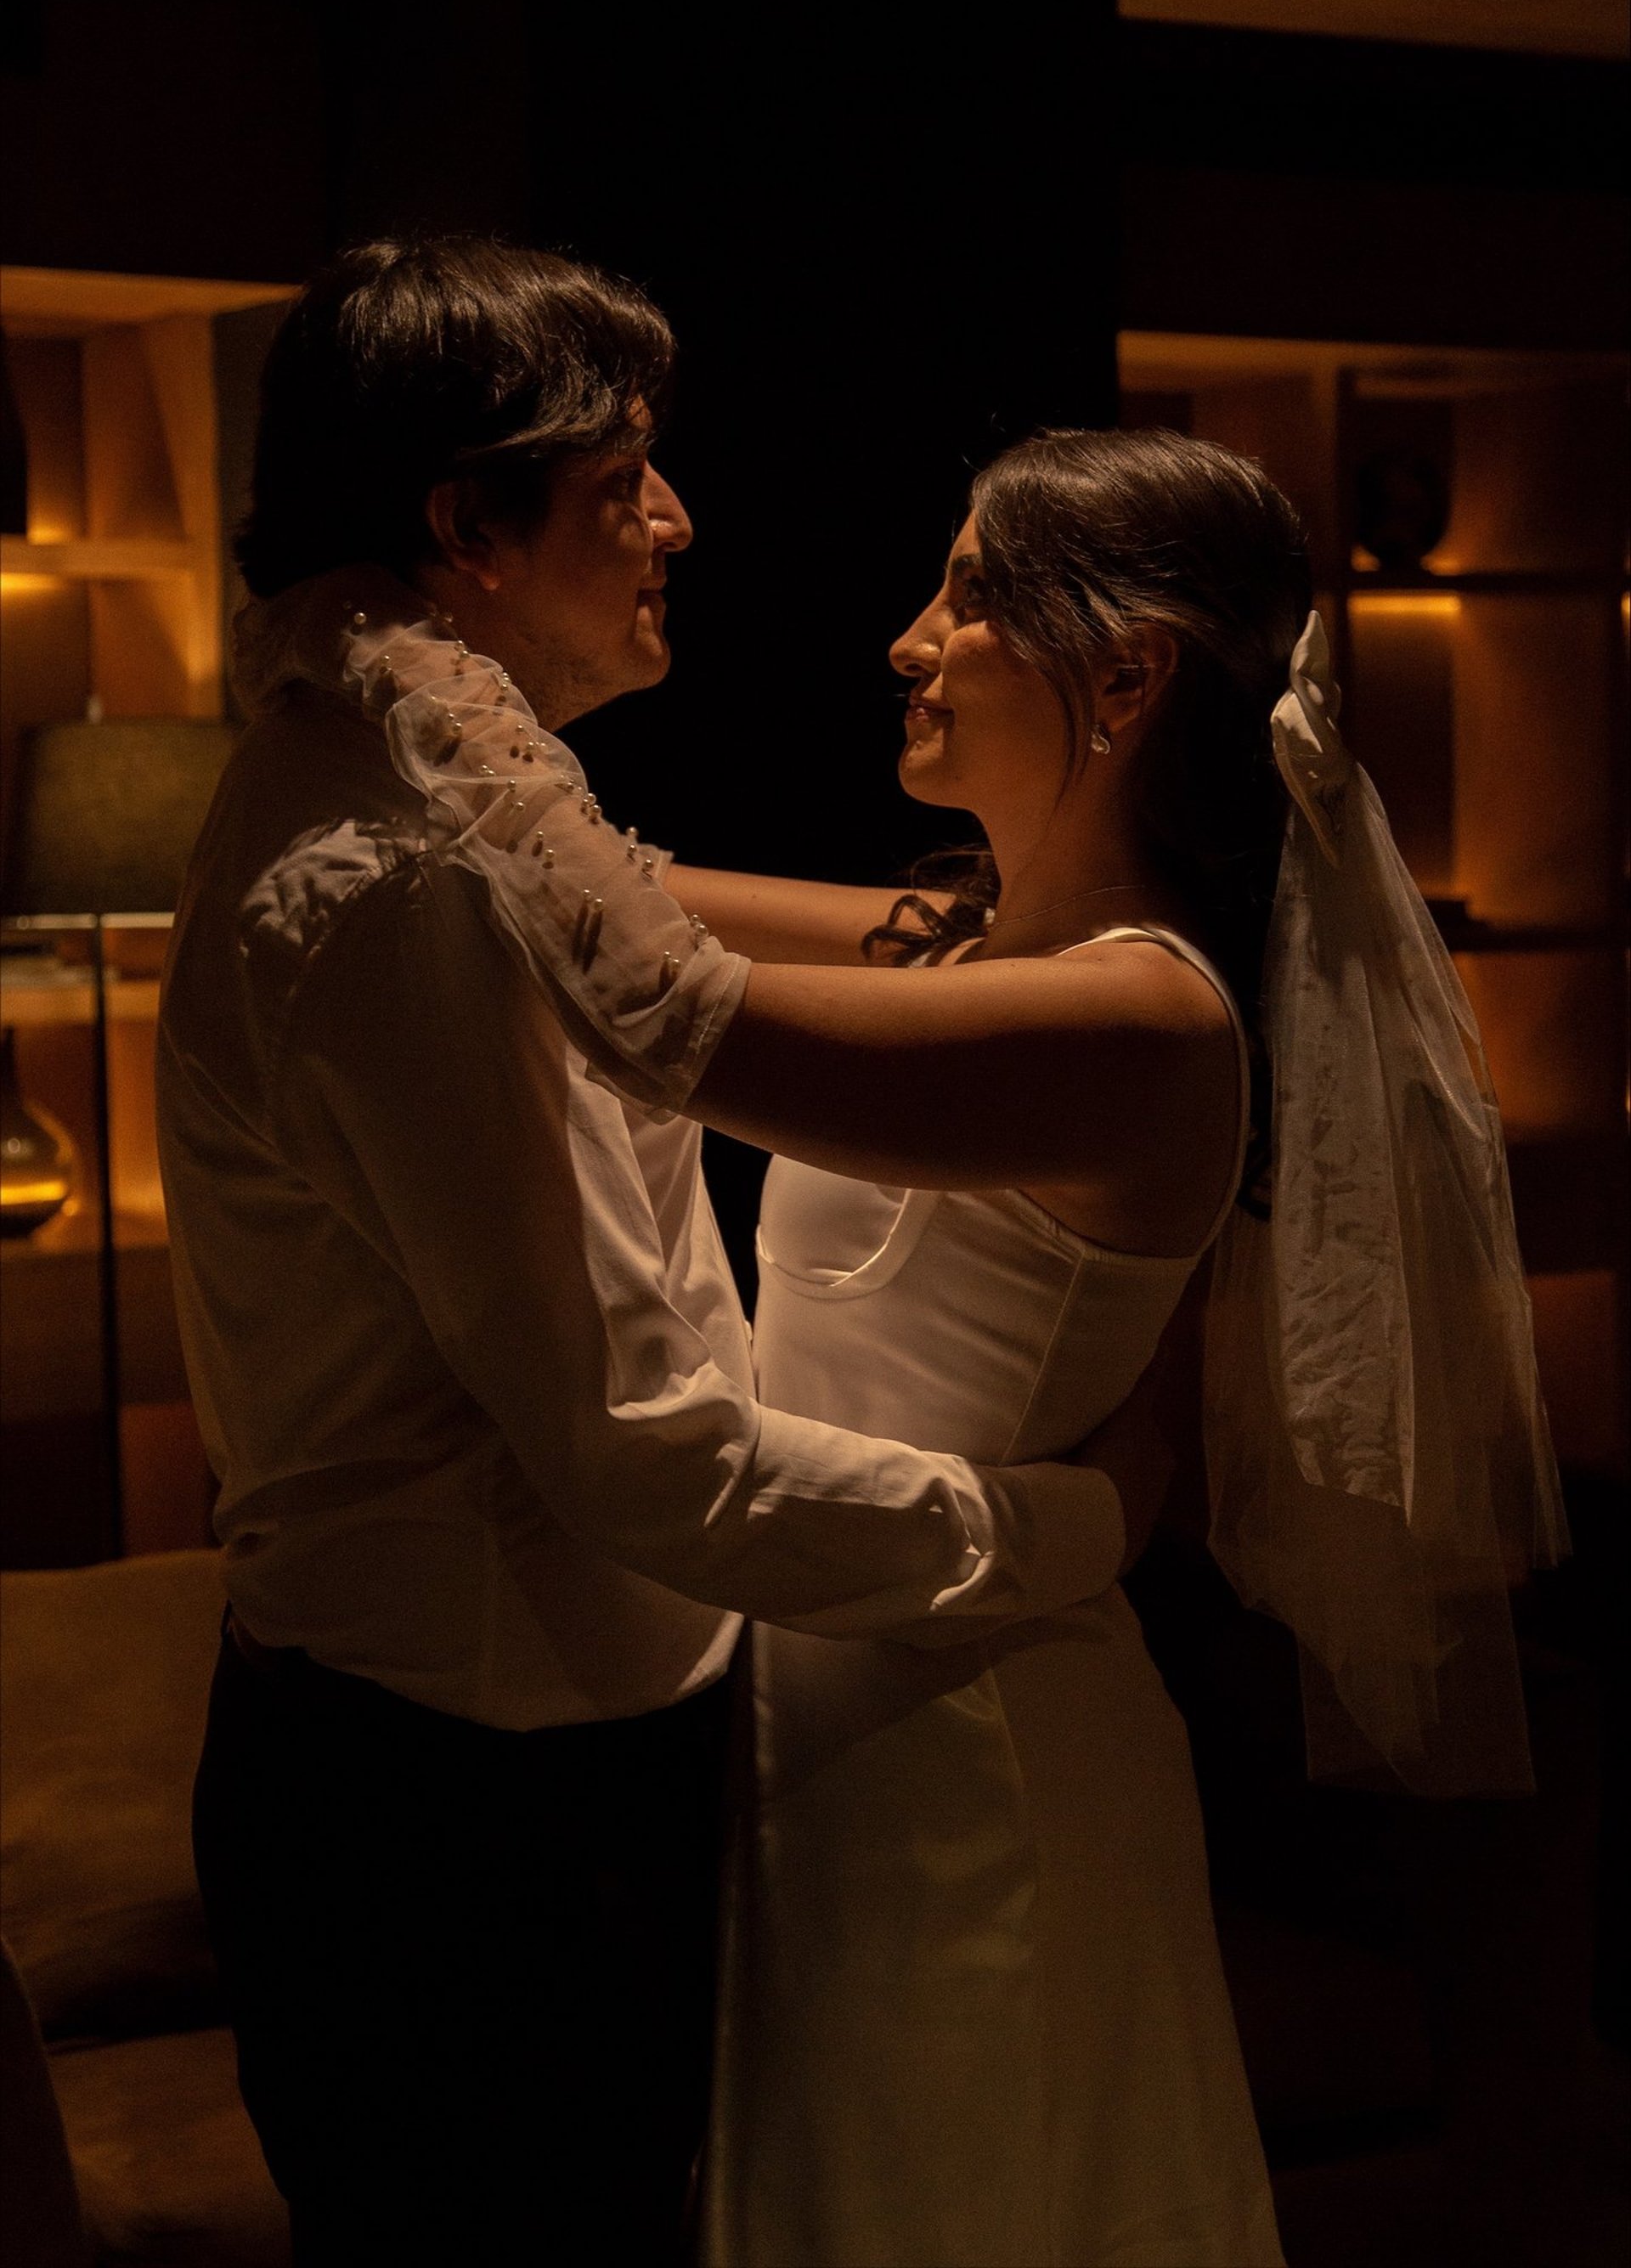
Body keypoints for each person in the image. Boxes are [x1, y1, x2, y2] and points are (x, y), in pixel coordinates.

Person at [313, 422, 1561, 2266]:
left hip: (978, 1737)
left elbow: (662, 1016)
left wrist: (425, 682)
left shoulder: (1146, 1026)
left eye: (970, 595)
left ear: (1123, 678)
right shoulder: (955, 951)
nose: (910, 638)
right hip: (840, 1705)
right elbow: (628, 899)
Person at [157, 239, 1164, 2268]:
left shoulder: (442, 795)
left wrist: (1001, 939)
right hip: (463, 1829)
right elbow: (645, 1454)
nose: (680, 522)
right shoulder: (407, 884)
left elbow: (667, 925)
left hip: (504, 1781)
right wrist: (1091, 1526)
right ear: (470, 529)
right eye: (625, 479)